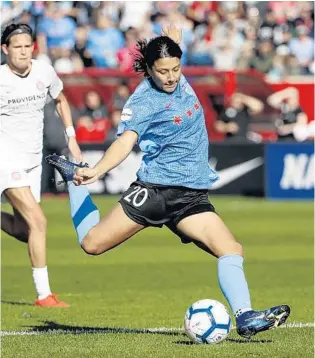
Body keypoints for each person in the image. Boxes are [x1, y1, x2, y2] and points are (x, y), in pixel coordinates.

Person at [46, 26, 290, 338]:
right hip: (156, 191)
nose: (171, 77)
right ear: (149, 70)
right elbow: (125, 142)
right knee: (91, 244)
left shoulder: (179, 78)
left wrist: (175, 37)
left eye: (176, 68)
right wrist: (95, 171)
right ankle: (75, 182)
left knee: (231, 249)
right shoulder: (144, 101)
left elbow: (173, 54)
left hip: (190, 196)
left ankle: (245, 318)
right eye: (163, 71)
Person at [0, 23, 83, 307]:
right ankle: (44, 295)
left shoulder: (44, 71)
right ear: (5, 50)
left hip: (32, 160)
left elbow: (60, 99)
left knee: (25, 231)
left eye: (27, 46)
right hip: (5, 159)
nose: (23, 52)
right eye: (17, 47)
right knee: (39, 222)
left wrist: (71, 138)